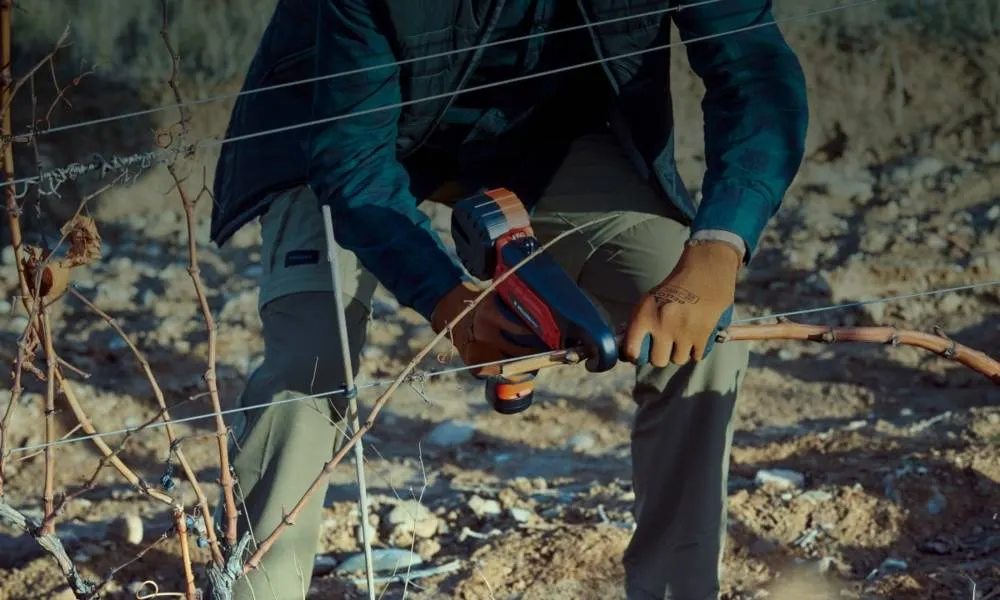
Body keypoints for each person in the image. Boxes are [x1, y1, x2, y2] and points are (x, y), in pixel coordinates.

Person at [209, 1, 808, 598]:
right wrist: (452, 304)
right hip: (335, 132)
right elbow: (351, 161)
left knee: (704, 339)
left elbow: (753, 69)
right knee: (309, 361)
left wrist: (719, 244)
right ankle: (256, 589)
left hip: (544, 138)